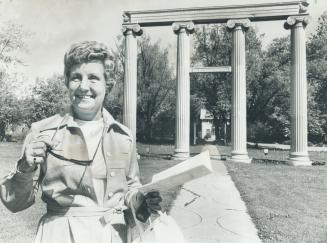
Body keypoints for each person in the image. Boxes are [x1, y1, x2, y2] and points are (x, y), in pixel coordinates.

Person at [0, 41, 162, 243]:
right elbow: (14, 203)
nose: (83, 86)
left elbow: (130, 188)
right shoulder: (41, 131)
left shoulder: (124, 136)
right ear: (67, 81)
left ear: (107, 84)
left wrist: (142, 200)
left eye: (93, 78)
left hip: (113, 235)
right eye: (76, 78)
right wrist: (25, 168)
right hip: (60, 235)